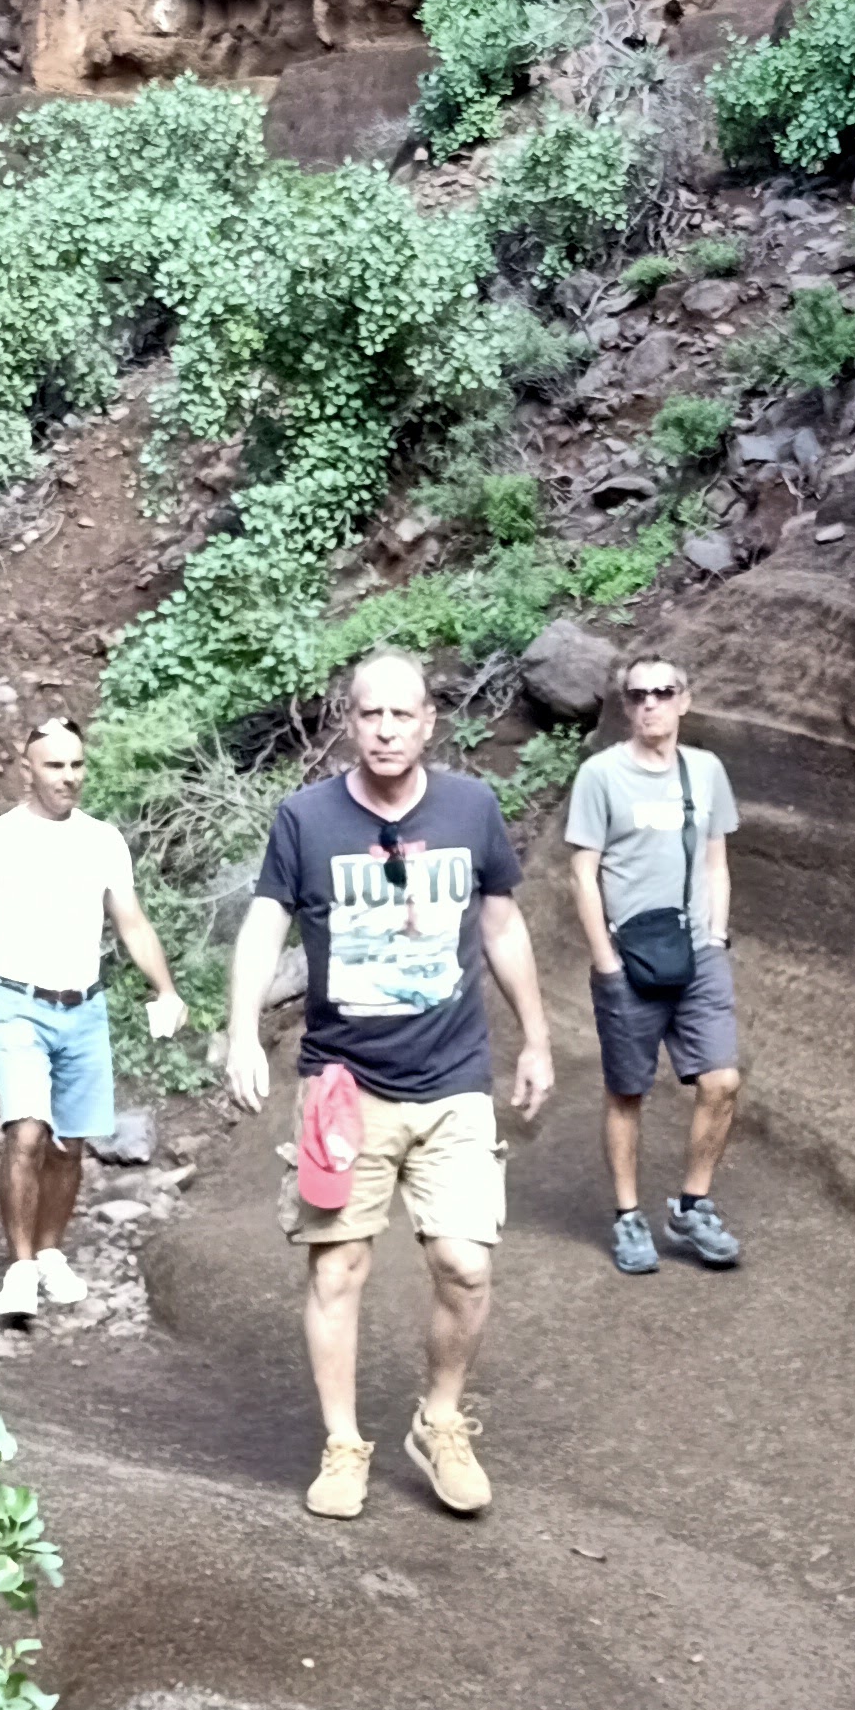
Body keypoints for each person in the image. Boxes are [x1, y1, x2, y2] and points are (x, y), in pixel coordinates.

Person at [224, 645, 554, 1522]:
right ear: (350, 722)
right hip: (344, 1086)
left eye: (401, 714)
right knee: (339, 1267)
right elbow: (264, 926)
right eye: (370, 713)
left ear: (428, 723)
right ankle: (343, 1445)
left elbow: (502, 924)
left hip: (453, 1078)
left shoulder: (471, 807)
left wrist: (536, 1039)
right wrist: (241, 1030)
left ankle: (439, 1421)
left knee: (465, 1264)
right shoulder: (306, 819)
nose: (385, 730)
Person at [0, 715, 188, 1325]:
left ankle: (51, 1252)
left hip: (84, 1006)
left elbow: (131, 922)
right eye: (55, 765)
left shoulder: (101, 841)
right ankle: (20, 1268)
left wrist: (165, 989)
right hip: (17, 1003)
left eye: (77, 764)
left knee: (70, 1143)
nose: (68, 776)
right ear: (27, 770)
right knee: (26, 1133)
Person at [565, 653, 742, 1273]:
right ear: (626, 706)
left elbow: (717, 860)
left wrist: (715, 936)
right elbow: (583, 873)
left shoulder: (706, 771)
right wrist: (605, 961)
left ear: (684, 701)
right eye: (638, 695)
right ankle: (628, 1216)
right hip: (629, 957)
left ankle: (692, 1206)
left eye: (663, 692)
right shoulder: (600, 775)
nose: (650, 704)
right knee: (627, 1090)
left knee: (722, 1081)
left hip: (697, 952)